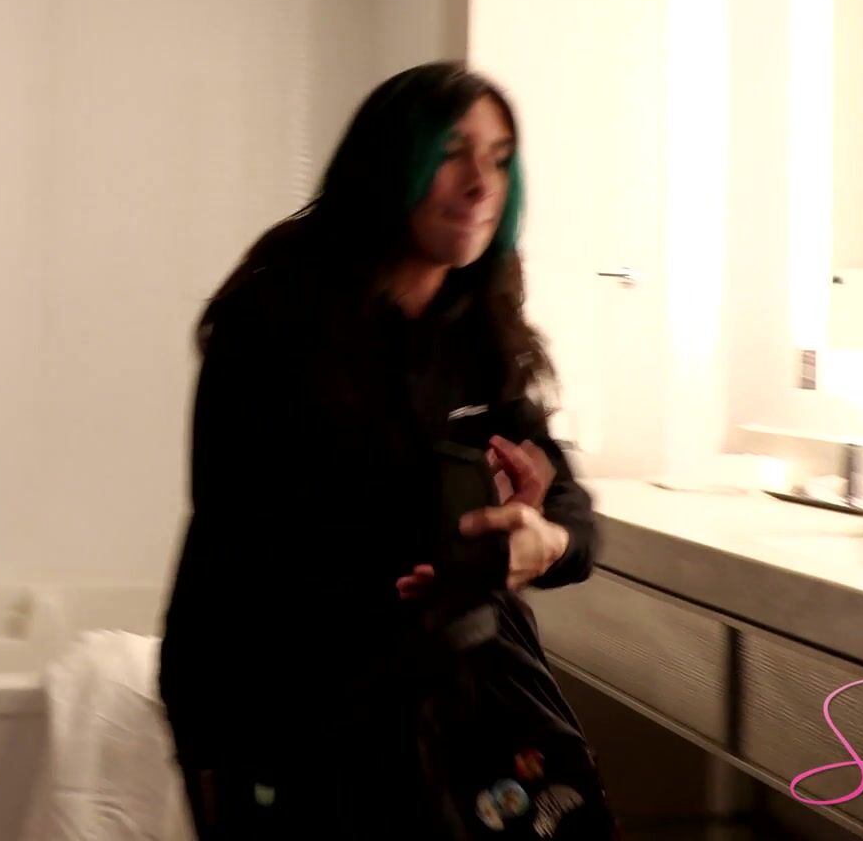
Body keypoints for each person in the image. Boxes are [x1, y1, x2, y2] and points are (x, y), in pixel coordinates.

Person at [159, 62, 612, 838]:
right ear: (386, 162)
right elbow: (224, 546)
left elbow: (565, 499)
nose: (481, 183)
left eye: (500, 158)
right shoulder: (272, 322)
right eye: (452, 152)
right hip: (309, 716)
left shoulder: (480, 327)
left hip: (470, 705)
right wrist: (204, 747)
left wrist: (547, 541)